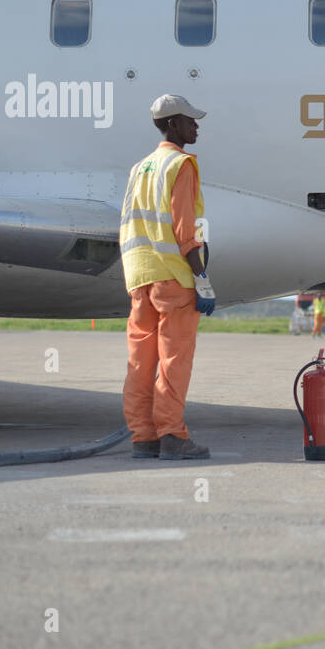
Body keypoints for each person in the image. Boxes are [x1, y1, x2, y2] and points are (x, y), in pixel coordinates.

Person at [119, 94, 217, 460]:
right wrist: (202, 279)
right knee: (174, 359)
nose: (196, 126)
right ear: (173, 124)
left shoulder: (139, 168)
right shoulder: (181, 165)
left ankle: (144, 438)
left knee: (141, 362)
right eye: (191, 120)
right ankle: (173, 436)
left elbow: (129, 222)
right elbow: (184, 230)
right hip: (173, 277)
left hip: (140, 276)